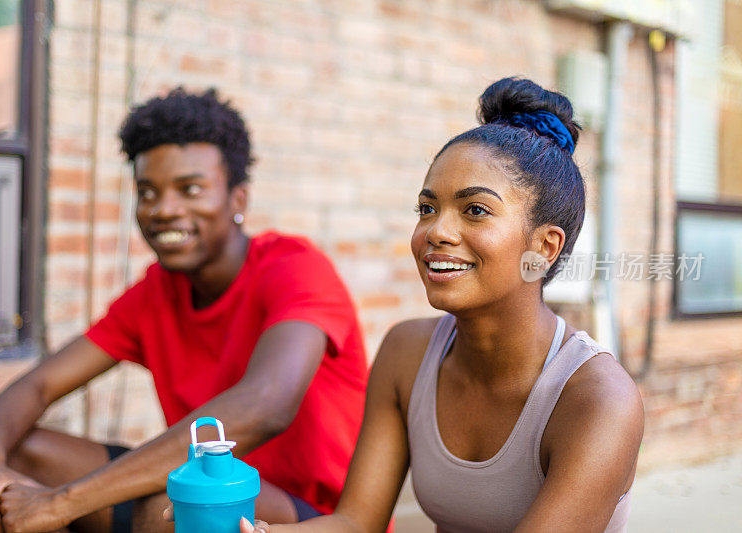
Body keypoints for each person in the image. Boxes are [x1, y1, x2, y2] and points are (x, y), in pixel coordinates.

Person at [239, 77, 644, 533]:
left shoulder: (598, 400)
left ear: (545, 247)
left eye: (475, 210)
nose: (435, 232)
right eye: (427, 209)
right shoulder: (406, 353)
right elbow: (356, 522)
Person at [0, 88, 369, 533]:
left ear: (238, 200)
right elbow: (37, 386)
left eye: (190, 189)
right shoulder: (155, 292)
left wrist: (62, 503)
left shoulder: (294, 269)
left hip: (315, 516)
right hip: (200, 490)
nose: (164, 210)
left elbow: (266, 406)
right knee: (19, 453)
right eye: (148, 192)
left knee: (174, 510)